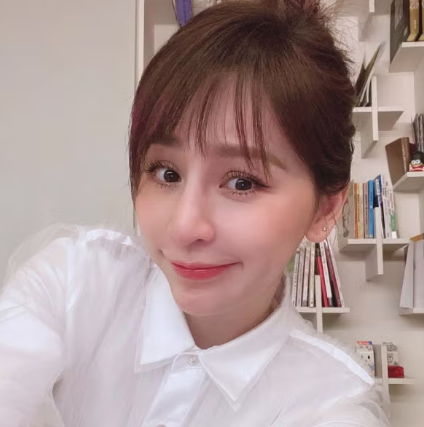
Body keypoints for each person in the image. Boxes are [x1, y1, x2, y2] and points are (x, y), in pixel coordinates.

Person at [0, 1, 389, 426]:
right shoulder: (76, 285)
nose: (185, 227)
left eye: (242, 182)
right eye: (166, 173)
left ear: (326, 207)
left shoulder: (328, 404)